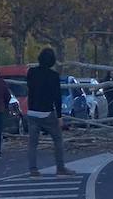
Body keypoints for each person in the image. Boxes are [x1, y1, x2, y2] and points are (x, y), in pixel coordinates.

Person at [26, 48, 76, 178]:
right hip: (47, 112)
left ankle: (33, 170)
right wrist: (59, 116)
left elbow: (29, 88)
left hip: (32, 111)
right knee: (58, 139)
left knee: (33, 143)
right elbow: (56, 97)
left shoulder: (31, 72)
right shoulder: (53, 76)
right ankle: (60, 167)